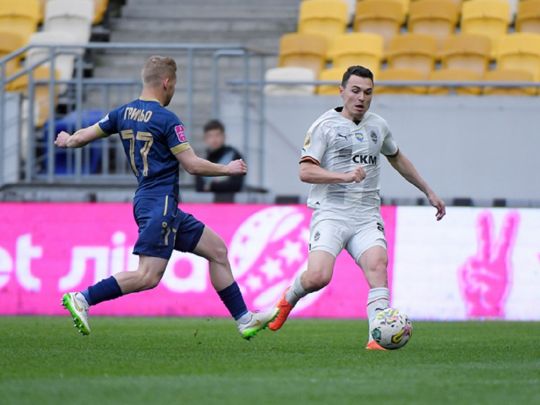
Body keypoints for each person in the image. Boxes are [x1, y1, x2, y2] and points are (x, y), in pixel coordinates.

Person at [55, 56, 277, 339]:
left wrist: (67, 140)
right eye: (174, 86)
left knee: (218, 251)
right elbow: (192, 165)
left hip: (152, 201)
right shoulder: (167, 120)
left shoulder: (121, 113)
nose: (173, 91)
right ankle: (83, 298)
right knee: (147, 276)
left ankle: (244, 319)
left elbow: (82, 136)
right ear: (166, 82)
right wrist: (227, 169)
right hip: (160, 204)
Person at [267, 65, 446, 350]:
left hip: (366, 215)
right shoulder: (324, 126)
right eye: (355, 91)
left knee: (378, 266)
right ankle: (288, 299)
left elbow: (397, 158)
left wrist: (428, 190)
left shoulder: (379, 126)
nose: (361, 98)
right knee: (318, 277)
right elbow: (305, 172)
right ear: (341, 91)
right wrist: (345, 176)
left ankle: (377, 336)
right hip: (332, 213)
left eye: (368, 92)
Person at [195, 119, 244, 193]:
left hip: (227, 199)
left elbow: (236, 185)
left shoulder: (234, 155)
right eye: (210, 136)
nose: (214, 140)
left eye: (217, 135)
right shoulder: (201, 159)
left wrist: (211, 186)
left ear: (224, 136)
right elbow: (199, 187)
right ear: (205, 139)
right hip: (206, 200)